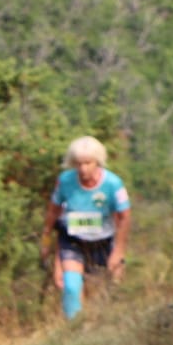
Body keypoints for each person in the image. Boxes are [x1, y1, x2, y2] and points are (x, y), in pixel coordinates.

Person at [41, 135, 131, 320]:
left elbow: (124, 217)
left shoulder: (113, 184)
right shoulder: (65, 181)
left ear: (97, 162)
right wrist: (46, 239)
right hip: (73, 241)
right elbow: (53, 212)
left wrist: (119, 251)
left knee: (104, 291)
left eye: (88, 163)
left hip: (103, 241)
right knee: (71, 287)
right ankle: (73, 327)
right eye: (78, 164)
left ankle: (99, 327)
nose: (83, 169)